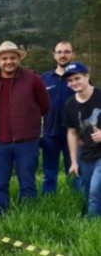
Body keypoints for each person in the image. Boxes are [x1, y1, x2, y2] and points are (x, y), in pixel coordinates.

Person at [0, 41, 51, 214]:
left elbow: (45, 105)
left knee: (27, 181)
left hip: (26, 141)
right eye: (4, 58)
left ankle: (28, 216)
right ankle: (0, 214)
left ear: (19, 59)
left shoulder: (33, 78)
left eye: (13, 57)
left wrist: (27, 123)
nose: (9, 61)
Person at [63, 62, 101, 217]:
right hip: (85, 154)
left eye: (77, 78)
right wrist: (73, 161)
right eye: (70, 80)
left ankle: (92, 229)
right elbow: (72, 133)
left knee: (95, 191)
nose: (74, 83)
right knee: (87, 192)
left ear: (87, 76)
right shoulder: (70, 104)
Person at [41, 41, 80, 194]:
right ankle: (48, 200)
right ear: (54, 55)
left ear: (73, 54)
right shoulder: (44, 78)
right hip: (50, 133)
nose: (63, 55)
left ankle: (76, 201)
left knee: (76, 172)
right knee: (49, 173)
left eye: (66, 52)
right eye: (59, 52)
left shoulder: (79, 78)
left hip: (75, 134)